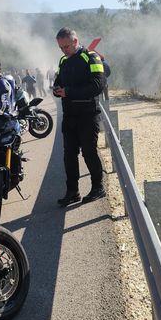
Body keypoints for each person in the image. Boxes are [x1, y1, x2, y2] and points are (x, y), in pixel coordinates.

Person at [53, 27, 106, 206]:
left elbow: (98, 85)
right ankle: (72, 191)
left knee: (89, 153)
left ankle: (98, 187)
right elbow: (58, 82)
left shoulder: (91, 57)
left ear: (75, 41)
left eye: (66, 46)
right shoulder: (63, 60)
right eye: (60, 47)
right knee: (69, 155)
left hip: (87, 115)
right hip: (69, 116)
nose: (64, 51)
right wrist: (57, 89)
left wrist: (69, 92)